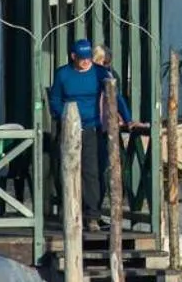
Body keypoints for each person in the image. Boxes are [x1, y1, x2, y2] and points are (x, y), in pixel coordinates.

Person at [48, 39, 134, 230]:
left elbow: (115, 97)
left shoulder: (100, 72)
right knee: (67, 169)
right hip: (69, 126)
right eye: (82, 59)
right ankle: (69, 210)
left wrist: (128, 119)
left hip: (92, 128)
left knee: (92, 171)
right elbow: (54, 99)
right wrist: (64, 117)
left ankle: (93, 215)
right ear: (73, 57)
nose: (86, 62)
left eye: (88, 58)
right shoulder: (63, 74)